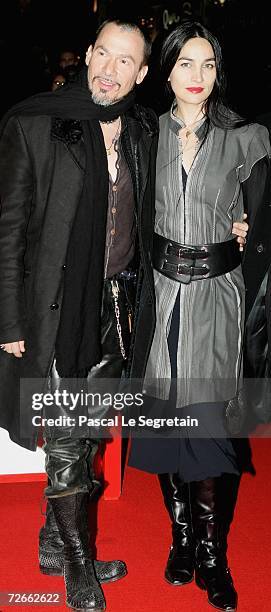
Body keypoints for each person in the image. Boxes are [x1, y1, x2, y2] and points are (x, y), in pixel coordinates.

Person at [0, 19, 156, 612]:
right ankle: (77, 566)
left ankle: (51, 544)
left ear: (141, 74)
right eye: (102, 54)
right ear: (87, 53)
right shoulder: (37, 123)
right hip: (57, 315)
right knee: (65, 447)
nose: (107, 70)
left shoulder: (143, 132)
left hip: (115, 312)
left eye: (124, 62)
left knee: (87, 440)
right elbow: (10, 229)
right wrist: (10, 321)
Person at [128, 21, 271, 611]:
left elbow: (265, 217)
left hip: (218, 298)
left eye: (208, 64)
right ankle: (181, 537)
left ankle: (212, 556)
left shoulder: (247, 136)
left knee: (209, 431)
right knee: (166, 428)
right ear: (164, 70)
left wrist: (251, 229)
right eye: (185, 63)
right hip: (161, 298)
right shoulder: (143, 134)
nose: (197, 77)